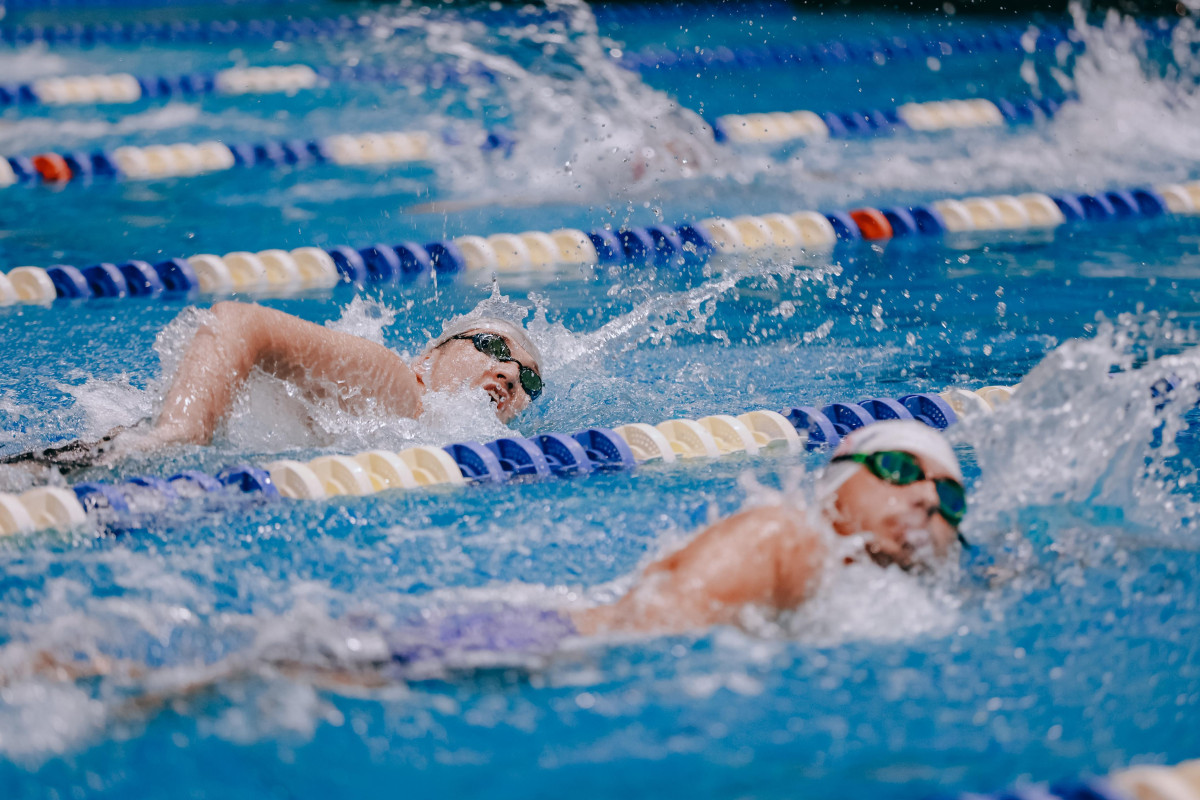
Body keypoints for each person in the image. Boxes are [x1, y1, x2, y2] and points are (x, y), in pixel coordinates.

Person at [2, 301, 545, 473]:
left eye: (528, 381)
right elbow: (240, 322)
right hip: (120, 459)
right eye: (493, 348)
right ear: (429, 356)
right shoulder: (404, 389)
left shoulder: (429, 437)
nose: (508, 374)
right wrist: (181, 431)